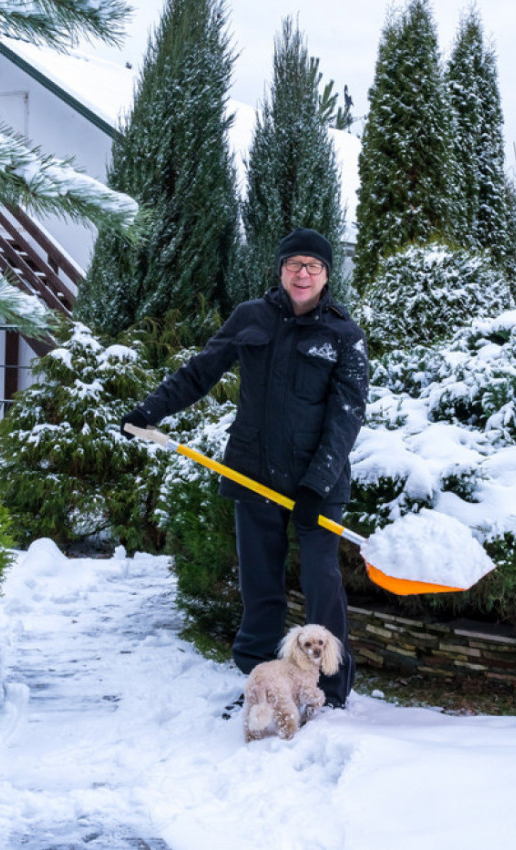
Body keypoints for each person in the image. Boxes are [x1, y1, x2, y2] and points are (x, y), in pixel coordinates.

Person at [122, 227, 368, 708]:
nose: (303, 273)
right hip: (252, 473)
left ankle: (330, 692)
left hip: (317, 483)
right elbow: (201, 371)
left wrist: (315, 485)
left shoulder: (344, 334)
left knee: (322, 586)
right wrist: (149, 412)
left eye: (313, 266)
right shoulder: (250, 317)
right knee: (260, 586)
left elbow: (347, 416)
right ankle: (261, 685)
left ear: (326, 275)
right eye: (294, 264)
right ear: (280, 270)